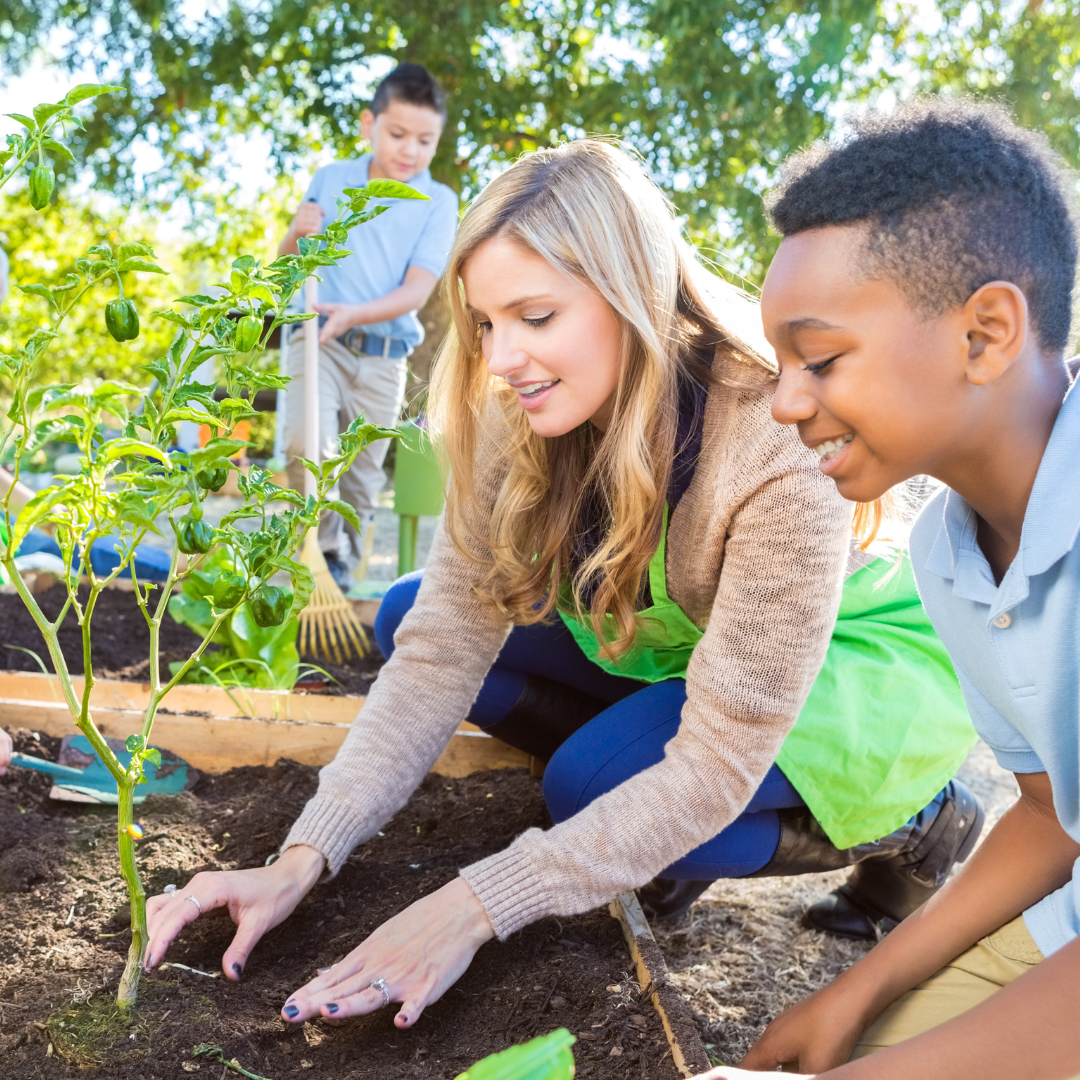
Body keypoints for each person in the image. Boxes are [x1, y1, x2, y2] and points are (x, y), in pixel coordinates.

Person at [144, 140, 979, 1032]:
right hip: (693, 646)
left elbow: (718, 761)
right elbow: (438, 655)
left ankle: (922, 821)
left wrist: (468, 908)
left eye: (535, 316)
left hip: (845, 664)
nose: (502, 358)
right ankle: (633, 784)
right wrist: (302, 855)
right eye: (487, 323)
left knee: (589, 788)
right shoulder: (523, 413)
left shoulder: (771, 441)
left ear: (632, 293)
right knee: (403, 615)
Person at [705, 98, 1080, 1078]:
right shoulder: (947, 555)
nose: (786, 403)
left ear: (987, 333)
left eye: (820, 358)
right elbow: (1049, 814)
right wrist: (853, 992)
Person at [279, 62, 458, 588]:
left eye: (425, 140)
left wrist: (355, 314)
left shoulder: (438, 201)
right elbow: (290, 261)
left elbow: (416, 292)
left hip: (384, 354)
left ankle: (341, 572)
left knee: (361, 479)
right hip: (317, 341)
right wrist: (296, 231)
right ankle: (324, 555)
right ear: (368, 125)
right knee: (305, 446)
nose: (411, 150)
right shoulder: (332, 179)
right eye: (398, 134)